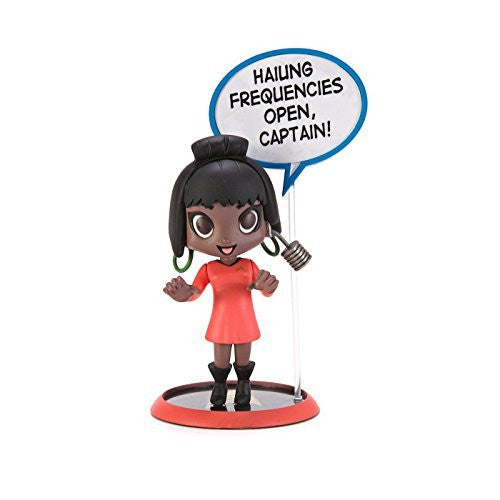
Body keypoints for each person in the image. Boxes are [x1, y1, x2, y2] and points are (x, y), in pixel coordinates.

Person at [163, 134, 281, 408]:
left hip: (244, 321)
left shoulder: (248, 266)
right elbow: (196, 291)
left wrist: (265, 287)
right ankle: (219, 385)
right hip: (221, 322)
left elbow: (261, 287)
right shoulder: (209, 269)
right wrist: (185, 294)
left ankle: (244, 385)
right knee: (221, 356)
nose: (226, 239)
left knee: (243, 355)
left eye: (247, 220)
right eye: (204, 225)